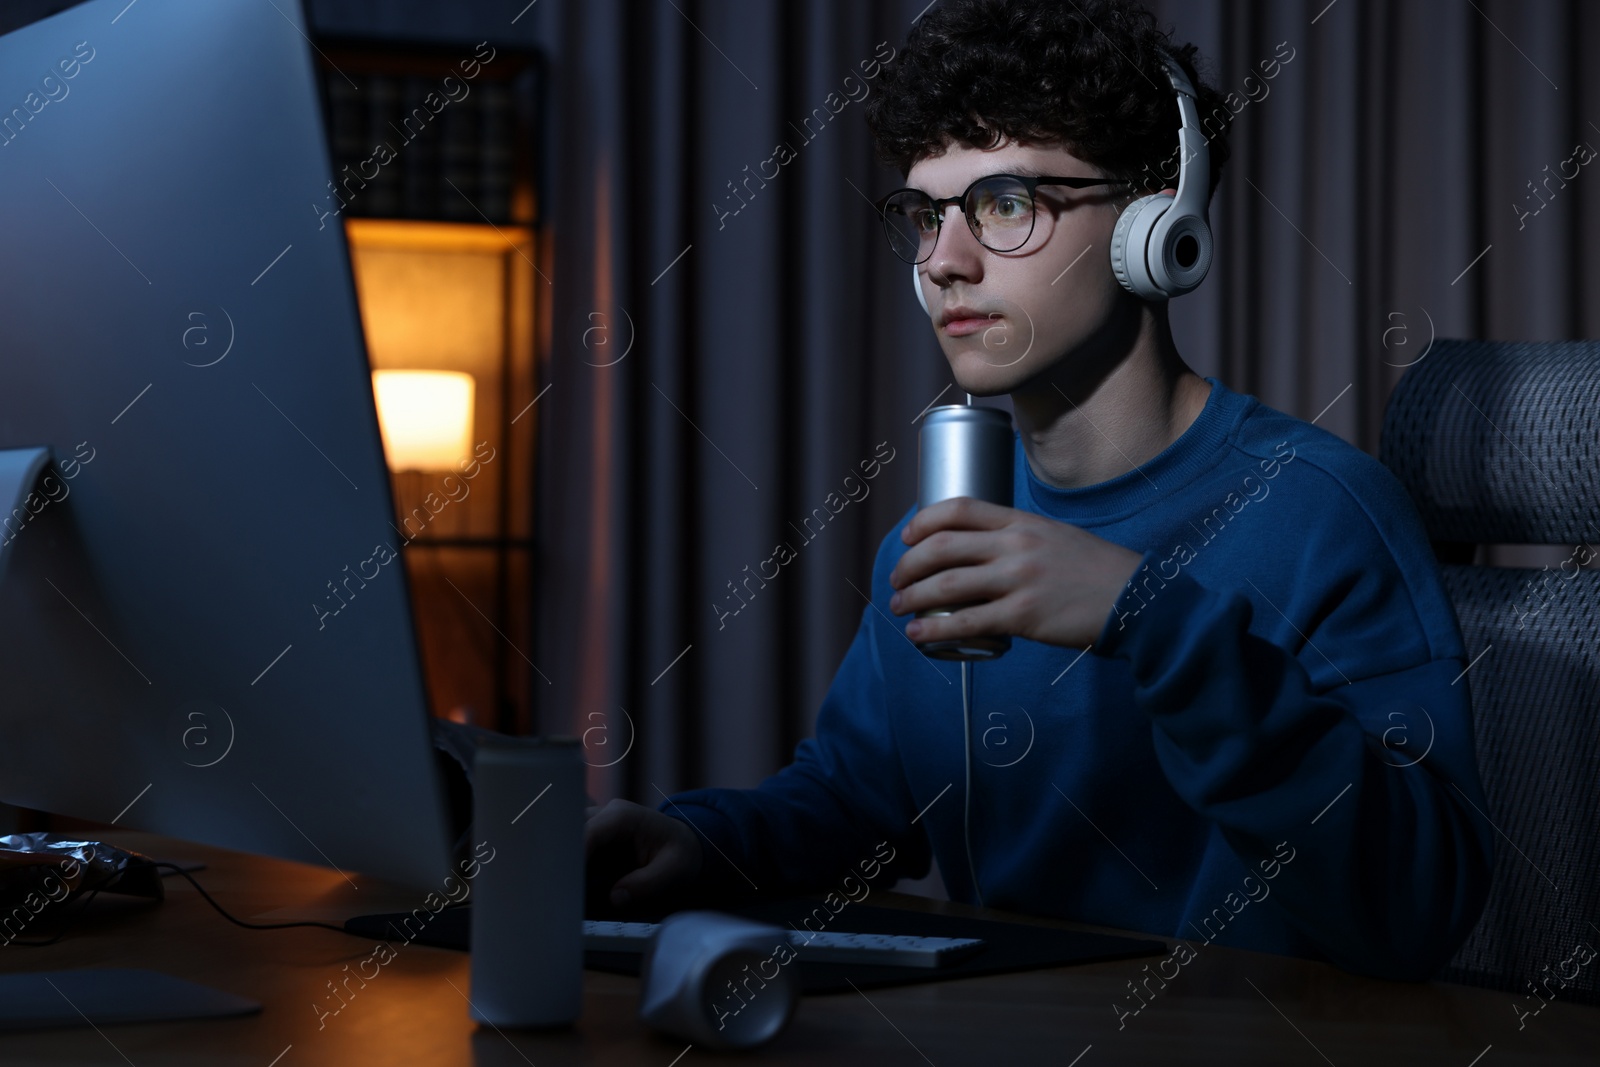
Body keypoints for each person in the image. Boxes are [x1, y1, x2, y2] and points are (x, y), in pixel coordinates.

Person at [583, 0, 1493, 981]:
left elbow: (1418, 904)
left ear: (1156, 222)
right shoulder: (941, 540)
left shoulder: (1321, 513)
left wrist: (1147, 616)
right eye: (926, 214)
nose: (942, 260)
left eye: (1004, 205)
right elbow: (857, 804)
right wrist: (703, 844)